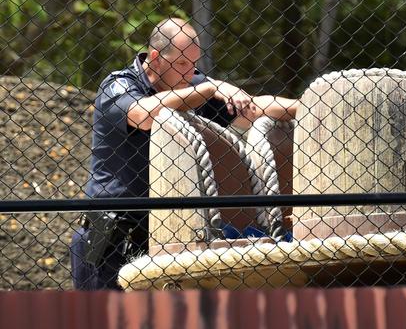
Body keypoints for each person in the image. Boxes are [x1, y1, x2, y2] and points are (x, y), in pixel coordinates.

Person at [70, 17, 299, 290]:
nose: (190, 72)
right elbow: (143, 115)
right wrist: (210, 88)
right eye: (181, 64)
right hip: (110, 237)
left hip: (161, 238)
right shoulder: (118, 85)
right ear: (155, 58)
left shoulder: (189, 85)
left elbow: (254, 109)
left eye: (194, 64)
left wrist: (312, 103)